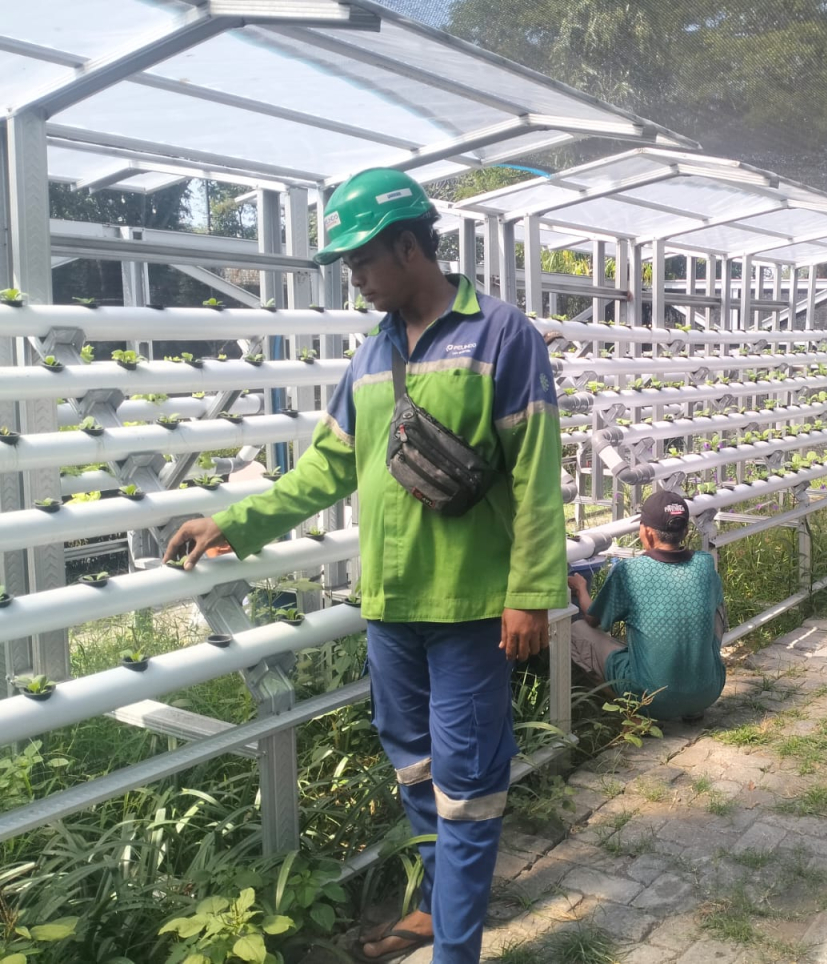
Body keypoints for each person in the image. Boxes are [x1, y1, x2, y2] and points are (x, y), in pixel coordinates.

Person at [162, 168, 567, 964]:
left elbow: (536, 472)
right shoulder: (373, 355)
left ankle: (456, 949)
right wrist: (234, 522)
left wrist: (531, 594)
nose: (354, 278)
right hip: (389, 604)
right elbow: (326, 467)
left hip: (472, 607)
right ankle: (438, 906)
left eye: (361, 260)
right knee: (414, 766)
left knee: (468, 785)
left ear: (408, 247)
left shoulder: (500, 334)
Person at [566, 490, 726, 723]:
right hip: (708, 691)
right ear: (685, 531)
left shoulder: (630, 571)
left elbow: (593, 619)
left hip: (652, 699)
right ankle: (691, 704)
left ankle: (636, 713)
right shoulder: (704, 564)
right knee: (716, 606)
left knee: (574, 631)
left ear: (647, 532)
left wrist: (581, 589)